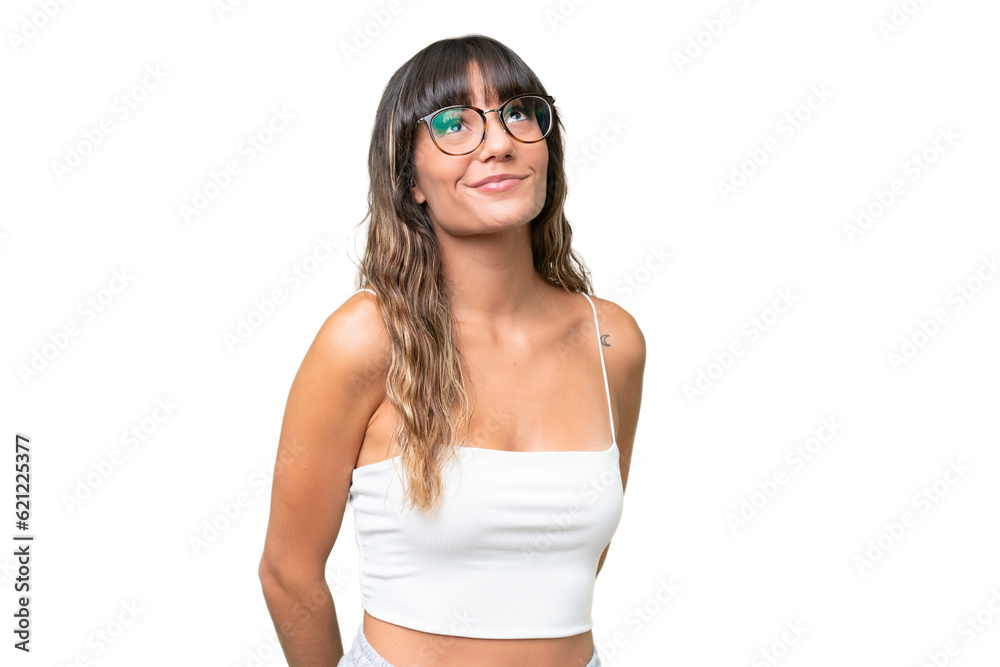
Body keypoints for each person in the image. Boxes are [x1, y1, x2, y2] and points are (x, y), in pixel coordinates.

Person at [258, 34, 645, 667]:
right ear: (410, 180)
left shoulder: (611, 342)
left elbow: (570, 559)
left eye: (518, 114)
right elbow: (288, 574)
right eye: (453, 123)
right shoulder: (367, 338)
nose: (498, 143)